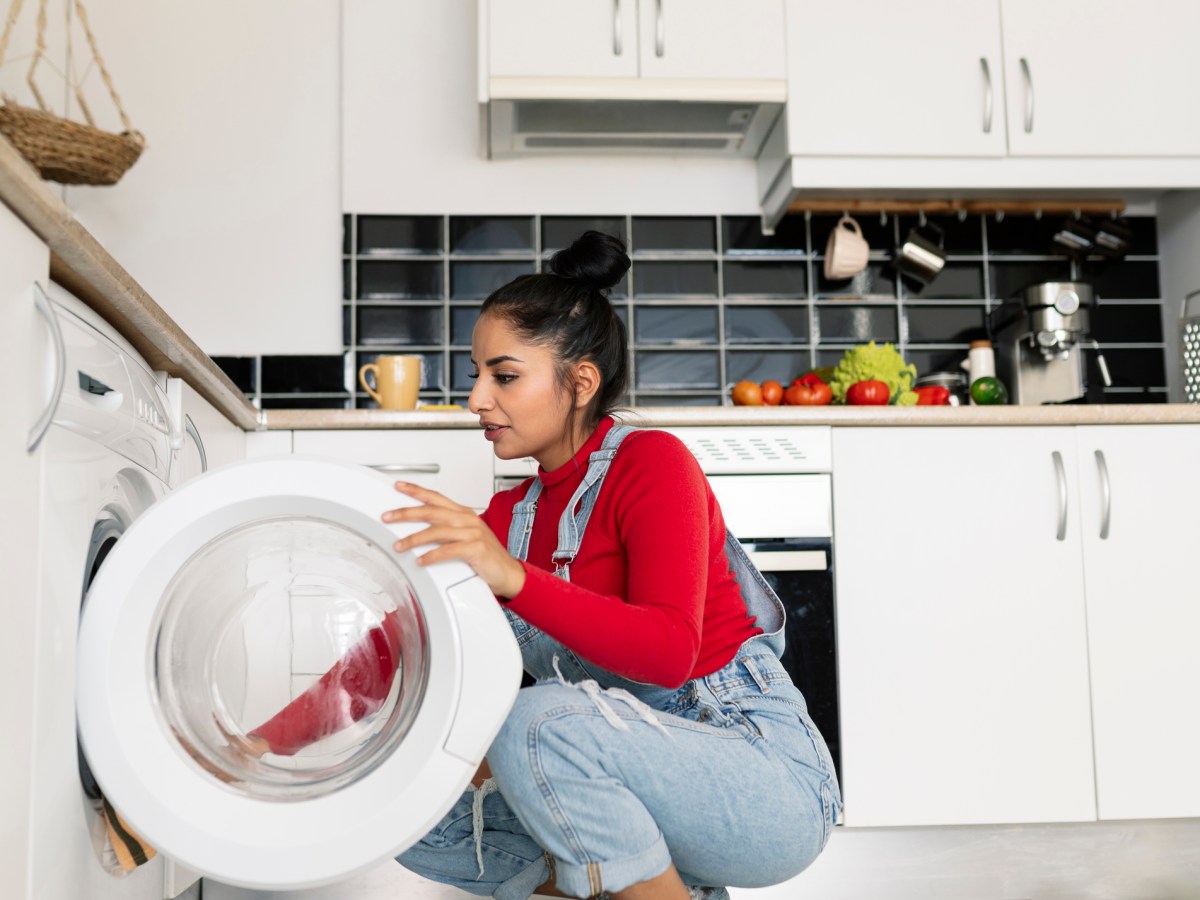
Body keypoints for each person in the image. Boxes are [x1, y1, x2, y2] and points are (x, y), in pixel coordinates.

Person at [378, 230, 842, 900]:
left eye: (503, 376)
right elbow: (391, 648)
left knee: (533, 727)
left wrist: (511, 577)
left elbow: (669, 653)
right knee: (408, 807)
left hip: (764, 781)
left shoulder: (651, 464)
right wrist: (251, 752)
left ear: (580, 382)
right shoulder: (506, 520)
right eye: (476, 375)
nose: (476, 399)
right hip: (628, 783)